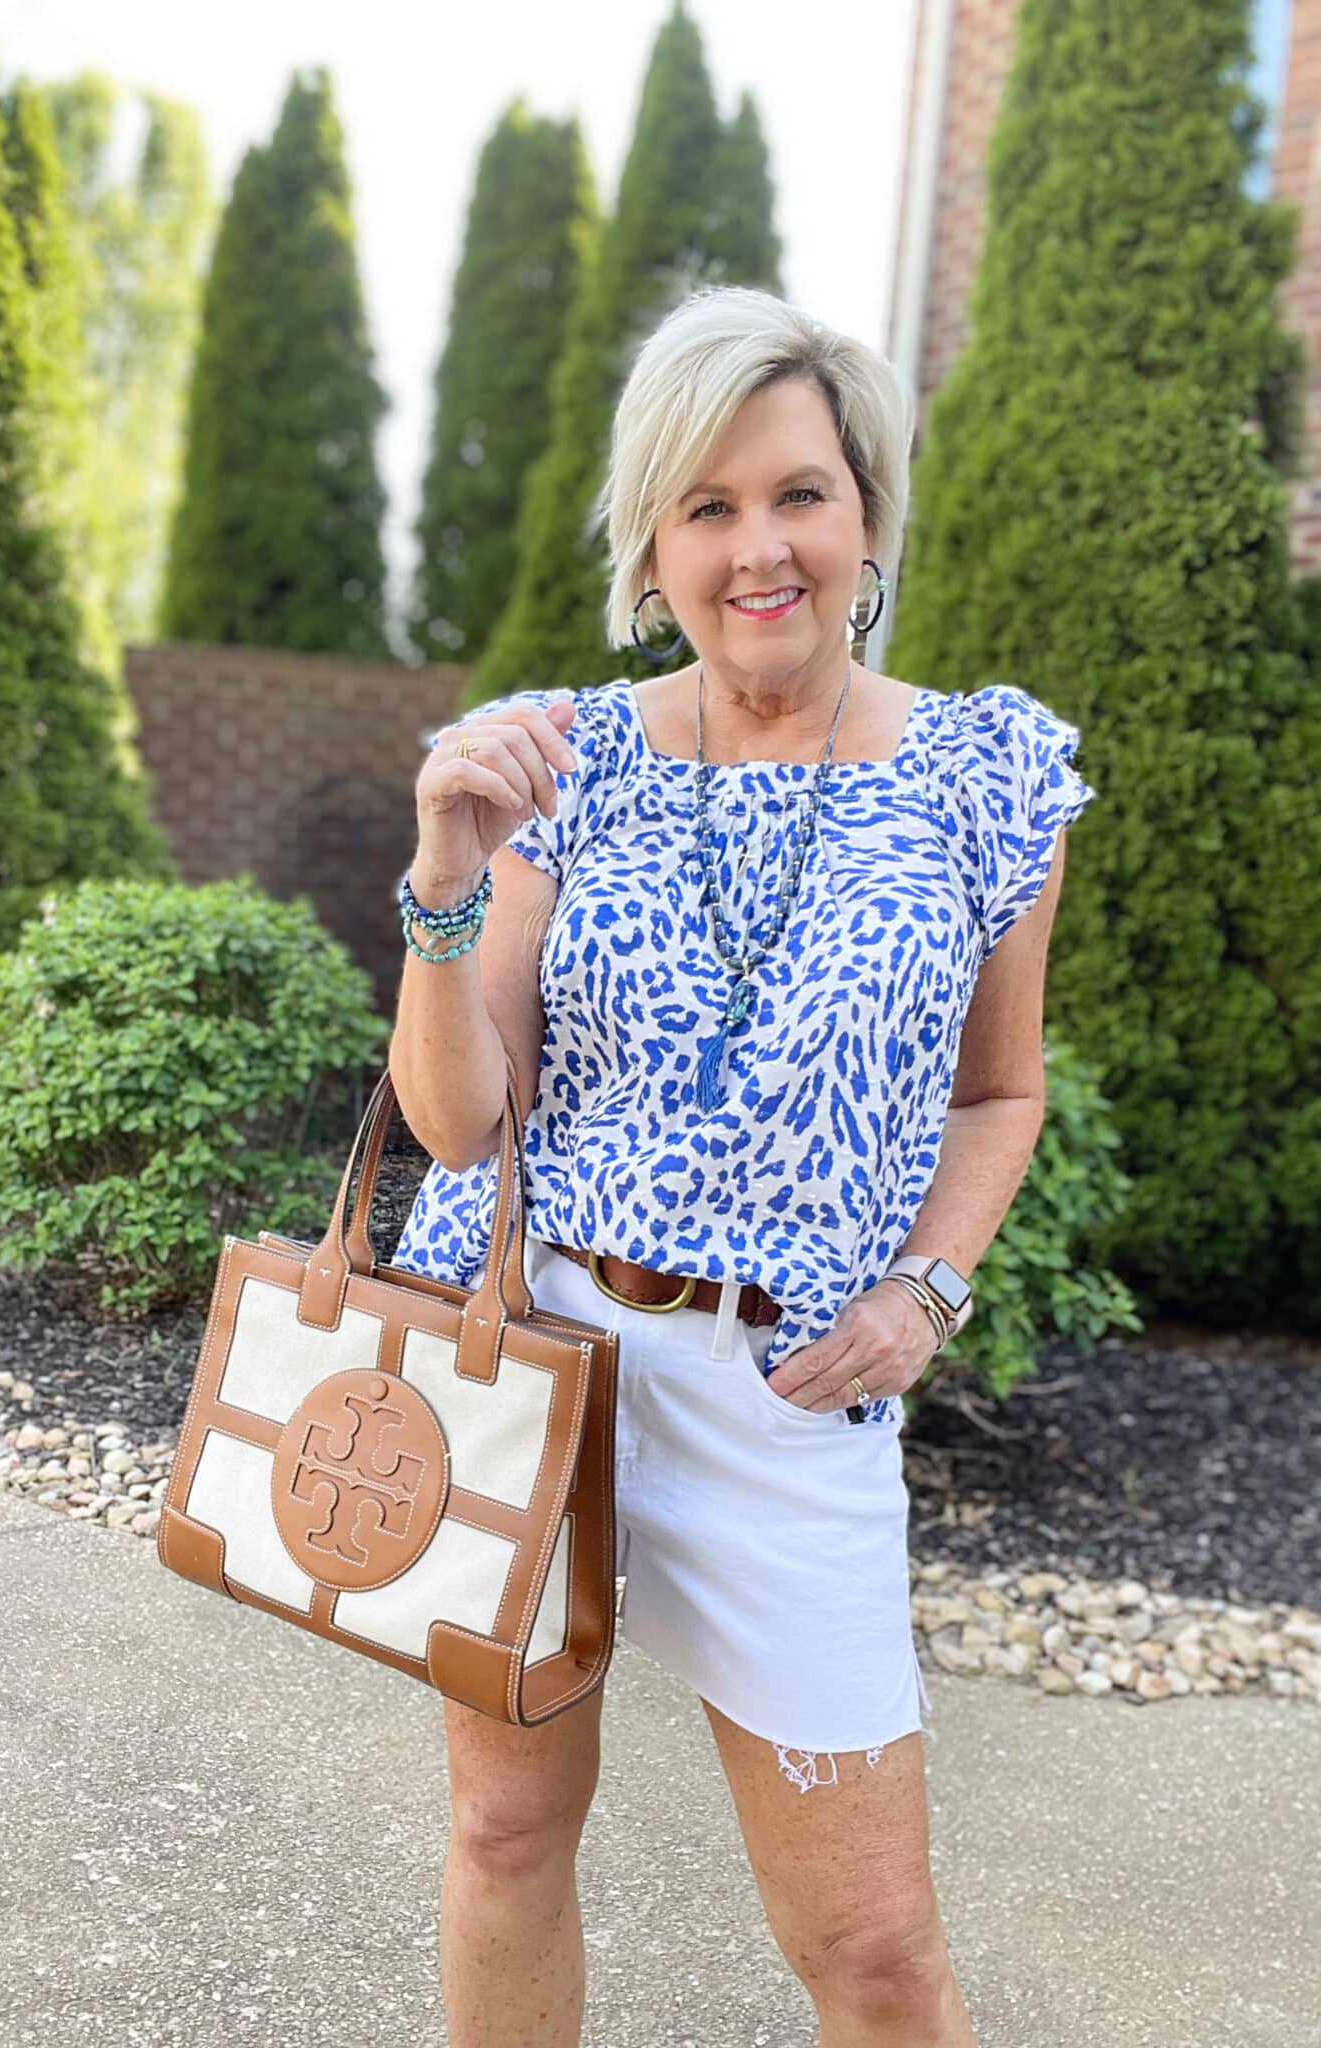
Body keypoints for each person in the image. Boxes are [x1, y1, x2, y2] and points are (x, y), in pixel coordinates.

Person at [387, 283, 1095, 2048]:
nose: (758, 547)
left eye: (798, 493)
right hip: (534, 1360)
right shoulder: (570, 761)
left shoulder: (985, 774)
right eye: (706, 506)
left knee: (870, 1946)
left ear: (867, 516)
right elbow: (463, 1122)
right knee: (504, 1827)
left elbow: (998, 1093)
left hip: (788, 1404)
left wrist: (926, 1293)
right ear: (652, 547)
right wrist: (443, 887)